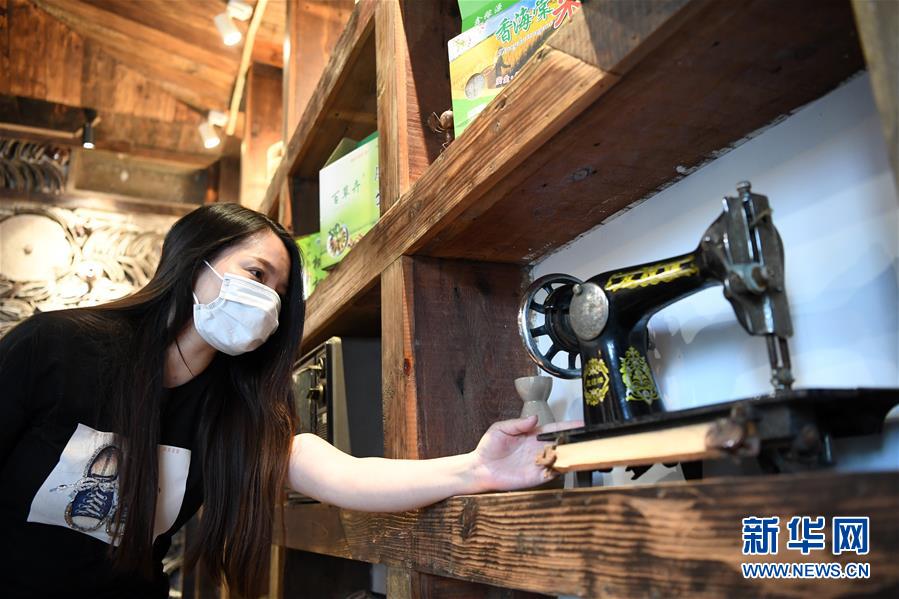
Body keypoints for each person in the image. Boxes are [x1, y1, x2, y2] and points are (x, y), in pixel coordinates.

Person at [0, 203, 567, 598]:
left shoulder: (236, 411)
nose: (267, 300)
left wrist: (475, 468)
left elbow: (345, 474)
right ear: (194, 261)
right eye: (256, 273)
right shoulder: (55, 347)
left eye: (278, 292)